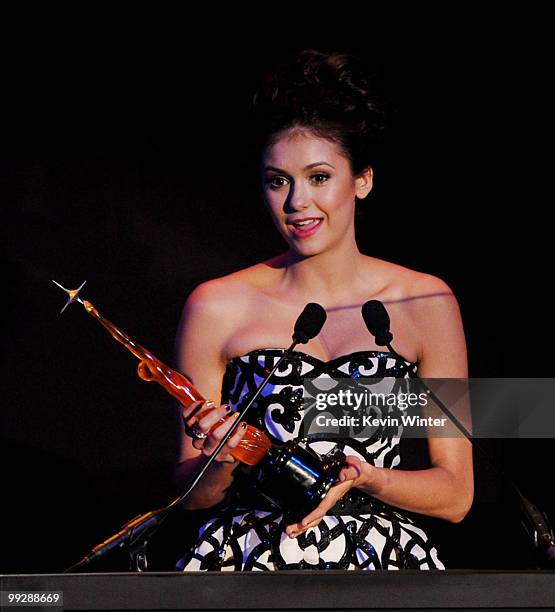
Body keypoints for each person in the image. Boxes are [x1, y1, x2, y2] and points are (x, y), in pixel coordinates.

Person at [172, 49, 473, 571]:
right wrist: (220, 462)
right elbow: (189, 495)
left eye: (317, 177)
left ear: (362, 180)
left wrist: (372, 478)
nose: (296, 203)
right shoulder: (216, 305)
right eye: (277, 180)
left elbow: (455, 494)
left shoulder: (426, 302)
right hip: (243, 567)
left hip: (382, 571)